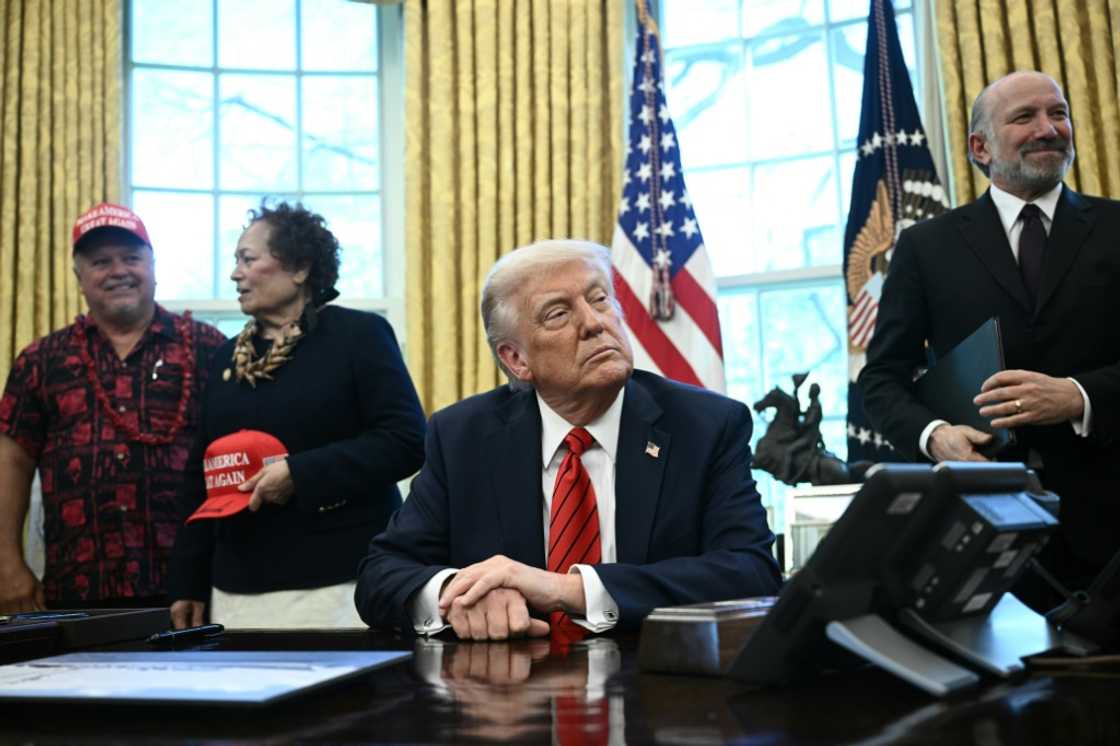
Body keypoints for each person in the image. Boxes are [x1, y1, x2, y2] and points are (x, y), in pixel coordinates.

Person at [355, 239, 781, 640]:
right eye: (558, 314)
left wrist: (568, 589)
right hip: (508, 696)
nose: (595, 324)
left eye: (599, 299)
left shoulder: (705, 425)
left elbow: (751, 572)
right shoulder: (463, 436)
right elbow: (381, 574)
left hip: (657, 684)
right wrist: (459, 595)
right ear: (516, 359)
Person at [859, 70, 1120, 608]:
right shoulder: (925, 248)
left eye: (1059, 113)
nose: (1049, 128)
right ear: (980, 147)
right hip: (984, 532)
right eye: (1025, 117)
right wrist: (935, 436)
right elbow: (882, 379)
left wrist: (1079, 396)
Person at [168, 201, 426, 629]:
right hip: (234, 593)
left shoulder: (358, 336)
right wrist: (188, 580)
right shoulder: (222, 359)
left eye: (248, 259)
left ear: (300, 268)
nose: (235, 274)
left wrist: (299, 475)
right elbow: (202, 476)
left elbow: (405, 441)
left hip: (340, 584)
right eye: (236, 261)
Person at [0, 203, 226, 611]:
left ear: (153, 267)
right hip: (79, 589)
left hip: (192, 588)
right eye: (101, 262)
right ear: (79, 278)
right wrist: (7, 565)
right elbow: (9, 463)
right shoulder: (41, 360)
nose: (118, 271)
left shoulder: (209, 348)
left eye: (131, 258)